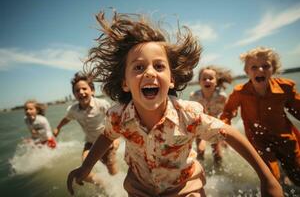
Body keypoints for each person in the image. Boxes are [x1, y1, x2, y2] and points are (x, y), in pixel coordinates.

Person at [67, 12, 283, 197]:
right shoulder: (118, 116)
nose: (150, 72)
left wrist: (267, 179)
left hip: (185, 188)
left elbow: (228, 133)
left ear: (171, 79)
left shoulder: (188, 114)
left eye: (159, 66)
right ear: (125, 83)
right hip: (139, 190)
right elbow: (107, 136)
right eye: (139, 67)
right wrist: (86, 167)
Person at [220, 46, 300, 186]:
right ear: (247, 71)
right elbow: (228, 112)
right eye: (254, 67)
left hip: (285, 138)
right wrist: (223, 129)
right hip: (259, 140)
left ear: (273, 69)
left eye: (265, 66)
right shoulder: (240, 92)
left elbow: (297, 110)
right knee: (271, 178)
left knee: (297, 175)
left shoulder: (285, 88)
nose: (260, 70)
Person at [53, 72, 119, 185]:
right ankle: (104, 184)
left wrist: (116, 139)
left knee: (112, 171)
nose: (81, 92)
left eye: (84, 89)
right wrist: (57, 128)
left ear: (92, 91)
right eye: (77, 91)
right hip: (89, 144)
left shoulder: (102, 104)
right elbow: (66, 119)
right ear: (74, 94)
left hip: (107, 142)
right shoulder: (73, 110)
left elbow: (116, 121)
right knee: (83, 169)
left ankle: (116, 185)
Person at [190, 65, 232, 166]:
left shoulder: (221, 96)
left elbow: (227, 113)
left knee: (217, 153)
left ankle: (219, 172)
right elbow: (191, 114)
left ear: (216, 82)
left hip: (216, 124)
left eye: (210, 78)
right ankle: (200, 169)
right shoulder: (194, 96)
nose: (207, 81)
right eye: (204, 79)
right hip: (200, 124)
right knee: (200, 150)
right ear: (199, 82)